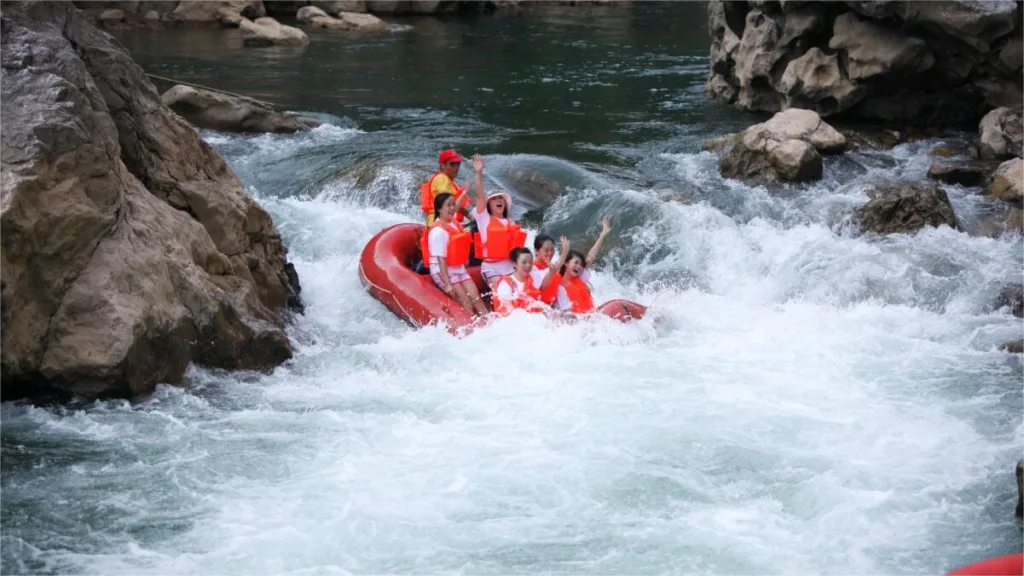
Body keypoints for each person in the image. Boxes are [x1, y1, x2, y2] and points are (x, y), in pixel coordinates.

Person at [419, 192, 487, 316]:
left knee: (477, 299)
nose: (452, 208)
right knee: (465, 302)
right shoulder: (438, 231)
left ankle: (490, 323)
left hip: (458, 268)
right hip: (443, 270)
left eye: (453, 205)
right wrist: (447, 284)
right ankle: (472, 328)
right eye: (448, 205)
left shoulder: (453, 222)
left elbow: (456, 207)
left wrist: (465, 192)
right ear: (439, 209)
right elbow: (441, 260)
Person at [470, 154, 528, 289]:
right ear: (488, 205)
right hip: (491, 268)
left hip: (510, 267)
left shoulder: (510, 223)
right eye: (494, 199)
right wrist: (478, 173)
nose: (499, 200)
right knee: (504, 289)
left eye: (501, 198)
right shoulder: (484, 218)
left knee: (521, 290)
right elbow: (479, 196)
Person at [536, 217, 613, 312]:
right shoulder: (556, 280)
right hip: (575, 321)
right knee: (616, 305)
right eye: (576, 262)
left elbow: (590, 257)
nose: (579, 266)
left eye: (581, 264)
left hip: (591, 318)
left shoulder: (579, 277)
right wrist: (564, 253)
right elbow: (544, 293)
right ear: (566, 263)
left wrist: (603, 235)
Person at [420, 149, 472, 227]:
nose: (456, 168)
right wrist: (471, 216)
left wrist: (470, 216)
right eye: (452, 164)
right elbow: (449, 206)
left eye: (458, 164)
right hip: (439, 224)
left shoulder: (448, 180)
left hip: (442, 222)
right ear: (442, 165)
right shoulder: (442, 179)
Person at [492, 247, 547, 316]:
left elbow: (553, 270)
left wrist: (562, 257)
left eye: (530, 262)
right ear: (515, 264)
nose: (528, 265)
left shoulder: (533, 277)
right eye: (524, 262)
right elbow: (508, 313)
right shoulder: (506, 284)